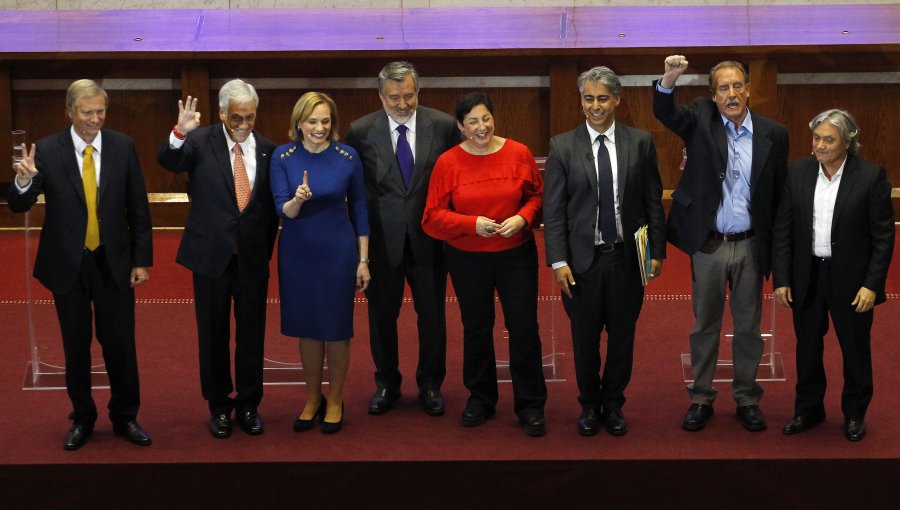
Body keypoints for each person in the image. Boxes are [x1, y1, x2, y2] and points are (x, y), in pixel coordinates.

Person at [9, 79, 153, 450]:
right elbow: (19, 204)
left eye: (100, 111)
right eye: (87, 112)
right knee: (75, 346)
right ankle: (83, 418)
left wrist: (141, 260)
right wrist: (23, 182)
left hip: (113, 261)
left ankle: (125, 416)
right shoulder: (47, 149)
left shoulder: (122, 146)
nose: (95, 119)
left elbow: (138, 206)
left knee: (120, 344)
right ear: (69, 112)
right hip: (67, 264)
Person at [653, 55, 789, 432]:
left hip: (750, 245)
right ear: (713, 96)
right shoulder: (700, 120)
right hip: (709, 244)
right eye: (723, 89)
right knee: (705, 325)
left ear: (748, 90)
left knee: (748, 327)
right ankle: (701, 396)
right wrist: (669, 78)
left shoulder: (773, 134)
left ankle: (747, 397)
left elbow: (779, 197)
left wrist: (779, 255)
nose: (732, 94)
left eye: (737, 86)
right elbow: (666, 112)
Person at [544, 66, 666, 437]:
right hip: (581, 263)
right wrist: (559, 260)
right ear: (581, 102)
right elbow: (554, 209)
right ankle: (588, 404)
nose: (595, 106)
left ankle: (613, 404)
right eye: (588, 99)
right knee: (583, 340)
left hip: (627, 260)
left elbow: (652, 202)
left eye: (602, 98)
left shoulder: (640, 141)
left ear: (616, 100)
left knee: (622, 337)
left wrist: (656, 251)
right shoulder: (562, 146)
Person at [157, 79, 278, 438]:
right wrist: (179, 131)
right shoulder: (198, 142)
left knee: (252, 333)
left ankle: (249, 403)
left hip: (252, 258)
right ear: (223, 112)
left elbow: (270, 208)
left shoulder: (270, 151)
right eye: (236, 117)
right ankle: (219, 406)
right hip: (210, 256)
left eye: (250, 118)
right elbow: (169, 160)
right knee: (213, 333)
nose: (243, 125)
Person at [422, 91, 548, 436]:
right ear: (461, 127)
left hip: (516, 255)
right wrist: (471, 224)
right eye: (473, 122)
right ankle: (481, 398)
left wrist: (523, 218)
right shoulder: (447, 163)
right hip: (467, 259)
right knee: (477, 329)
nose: (482, 127)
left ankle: (531, 403)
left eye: (486, 118)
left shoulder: (519, 153)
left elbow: (537, 197)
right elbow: (432, 217)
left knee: (523, 328)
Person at [344, 61, 460, 417]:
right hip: (381, 242)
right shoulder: (360, 131)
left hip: (430, 241)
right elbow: (354, 190)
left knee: (432, 316)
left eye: (408, 95)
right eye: (394, 97)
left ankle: (430, 384)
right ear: (381, 96)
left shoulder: (441, 126)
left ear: (418, 92)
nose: (402, 103)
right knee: (381, 317)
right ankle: (387, 384)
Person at [773, 109, 894, 442]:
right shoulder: (798, 171)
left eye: (828, 139)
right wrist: (782, 278)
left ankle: (855, 414)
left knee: (855, 350)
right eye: (816, 138)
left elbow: (883, 238)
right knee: (807, 348)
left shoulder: (870, 176)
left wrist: (872, 285)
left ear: (848, 142)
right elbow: (784, 229)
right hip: (806, 277)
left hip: (853, 283)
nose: (820, 146)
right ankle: (808, 409)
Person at [270, 92, 370, 434]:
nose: (319, 128)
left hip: (338, 252)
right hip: (298, 252)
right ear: (299, 123)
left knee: (337, 328)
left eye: (325, 121)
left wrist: (364, 260)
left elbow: (359, 209)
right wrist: (297, 199)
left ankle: (336, 398)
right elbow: (283, 211)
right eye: (312, 121)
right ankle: (313, 399)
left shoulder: (348, 156)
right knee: (308, 328)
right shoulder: (283, 156)